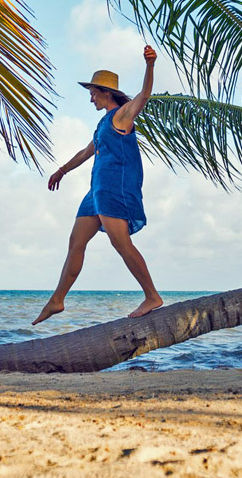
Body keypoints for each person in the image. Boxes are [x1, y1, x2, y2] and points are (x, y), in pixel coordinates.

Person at [33, 45, 163, 324]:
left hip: (114, 186)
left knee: (120, 243)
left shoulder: (122, 115)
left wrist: (149, 65)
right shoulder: (104, 124)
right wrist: (61, 170)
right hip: (96, 190)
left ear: (106, 92)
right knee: (75, 242)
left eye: (93, 93)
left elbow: (145, 95)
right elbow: (85, 152)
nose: (90, 98)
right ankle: (57, 300)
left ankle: (152, 295)